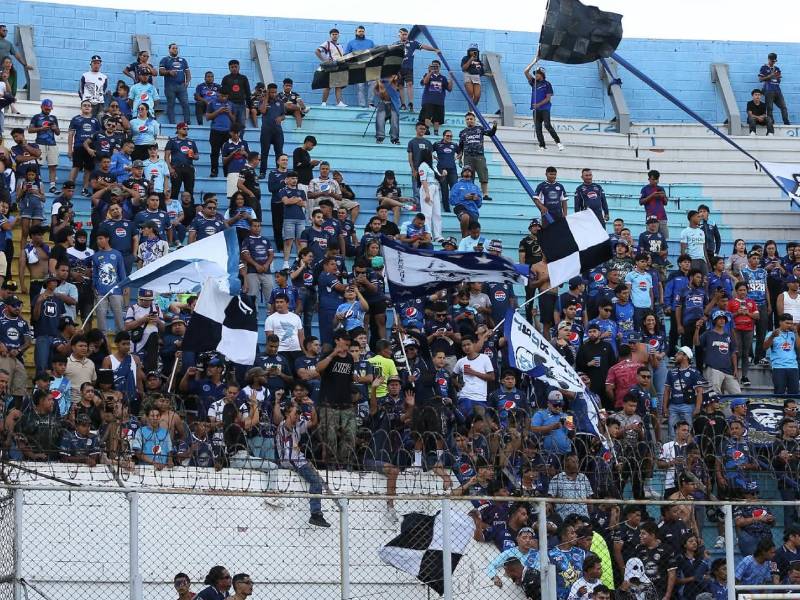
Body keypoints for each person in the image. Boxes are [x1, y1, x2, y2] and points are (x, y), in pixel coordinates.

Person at [275, 397, 330, 527]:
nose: (298, 415)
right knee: (316, 481)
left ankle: (316, 513)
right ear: (288, 413)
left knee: (317, 480)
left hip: (298, 459)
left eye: (299, 413)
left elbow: (313, 422)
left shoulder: (297, 425)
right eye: (296, 413)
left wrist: (312, 406)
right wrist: (293, 405)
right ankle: (315, 514)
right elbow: (289, 423)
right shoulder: (284, 425)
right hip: (291, 460)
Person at [696, 310, 740, 395]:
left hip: (728, 370)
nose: (722, 320)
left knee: (737, 394)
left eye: (724, 319)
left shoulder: (728, 336)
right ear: (714, 320)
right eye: (719, 318)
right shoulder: (708, 334)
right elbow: (696, 343)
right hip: (713, 368)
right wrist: (697, 330)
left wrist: (735, 369)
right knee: (715, 395)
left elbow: (733, 353)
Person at [523, 63, 564, 152]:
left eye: (537, 73)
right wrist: (534, 61)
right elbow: (525, 72)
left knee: (547, 125)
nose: (535, 75)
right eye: (535, 73)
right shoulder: (533, 83)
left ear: (542, 74)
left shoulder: (547, 84)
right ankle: (542, 146)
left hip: (545, 109)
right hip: (536, 110)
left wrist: (539, 104)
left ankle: (558, 143)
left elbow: (548, 98)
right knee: (538, 128)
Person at [457, 112, 497, 201]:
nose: (469, 120)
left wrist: (494, 127)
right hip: (467, 157)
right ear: (465, 121)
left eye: (471, 119)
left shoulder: (480, 129)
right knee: (469, 176)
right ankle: (470, 193)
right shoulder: (463, 132)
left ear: (474, 120)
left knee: (483, 175)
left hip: (479, 156)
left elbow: (491, 133)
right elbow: (460, 147)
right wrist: (460, 158)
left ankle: (485, 194)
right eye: (467, 119)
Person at [397, 27, 438, 112]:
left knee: (409, 84)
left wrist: (434, 49)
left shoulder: (412, 43)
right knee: (400, 86)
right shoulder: (396, 44)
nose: (404, 36)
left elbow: (423, 46)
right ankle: (403, 104)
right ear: (399, 35)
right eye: (403, 34)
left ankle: (411, 103)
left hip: (408, 68)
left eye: (406, 34)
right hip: (398, 69)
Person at [764, 313, 800, 394]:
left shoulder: (793, 334)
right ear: (780, 322)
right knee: (779, 393)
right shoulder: (771, 333)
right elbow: (765, 347)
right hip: (778, 367)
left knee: (794, 393)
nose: (789, 325)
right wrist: (772, 336)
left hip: (793, 367)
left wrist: (796, 332)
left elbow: (798, 347)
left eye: (791, 323)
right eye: (787, 323)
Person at [158, 43, 191, 125]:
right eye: (173, 48)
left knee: (186, 104)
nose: (175, 50)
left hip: (181, 87)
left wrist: (187, 82)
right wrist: (169, 72)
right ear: (169, 50)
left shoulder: (183, 60)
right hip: (170, 87)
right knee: (171, 105)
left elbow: (188, 72)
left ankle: (187, 123)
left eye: (176, 48)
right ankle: (172, 124)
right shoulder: (165, 60)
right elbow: (160, 72)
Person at [420, 60, 452, 136]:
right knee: (427, 115)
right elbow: (424, 82)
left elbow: (449, 89)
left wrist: (451, 78)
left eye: (437, 66)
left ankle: (436, 131)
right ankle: (427, 129)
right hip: (428, 100)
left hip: (439, 101)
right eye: (433, 65)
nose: (435, 67)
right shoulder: (427, 75)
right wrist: (430, 72)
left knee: (437, 117)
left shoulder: (443, 78)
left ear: (440, 67)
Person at [345, 26, 375, 107]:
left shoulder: (370, 42)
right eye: (359, 31)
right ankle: (362, 105)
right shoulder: (351, 43)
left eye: (362, 31)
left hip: (369, 67)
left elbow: (375, 54)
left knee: (372, 84)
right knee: (360, 86)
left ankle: (370, 103)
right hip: (357, 68)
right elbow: (346, 55)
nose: (361, 33)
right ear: (356, 32)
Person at [315, 28, 346, 107]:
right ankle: (324, 103)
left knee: (338, 85)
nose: (335, 36)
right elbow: (317, 51)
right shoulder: (327, 43)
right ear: (330, 35)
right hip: (330, 67)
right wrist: (324, 60)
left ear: (338, 35)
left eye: (336, 34)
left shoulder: (340, 46)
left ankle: (339, 103)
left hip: (339, 67)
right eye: (333, 34)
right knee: (328, 85)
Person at [758, 52, 790, 125]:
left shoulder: (777, 69)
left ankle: (786, 122)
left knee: (783, 107)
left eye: (774, 61)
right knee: (769, 108)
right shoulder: (764, 68)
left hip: (777, 91)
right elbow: (760, 79)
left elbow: (779, 79)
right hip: (769, 90)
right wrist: (771, 76)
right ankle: (770, 123)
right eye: (772, 61)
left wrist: (778, 78)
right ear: (768, 59)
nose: (773, 62)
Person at [220, 59, 251, 129]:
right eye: (232, 67)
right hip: (230, 104)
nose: (234, 68)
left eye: (235, 67)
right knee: (229, 123)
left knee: (241, 124)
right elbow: (222, 92)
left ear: (239, 67)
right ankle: (230, 140)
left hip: (241, 104)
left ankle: (240, 139)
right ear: (229, 68)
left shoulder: (244, 78)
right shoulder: (226, 78)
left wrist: (249, 106)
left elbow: (248, 92)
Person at [639, 169, 669, 240]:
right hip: (651, 219)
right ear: (649, 179)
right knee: (650, 240)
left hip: (662, 217)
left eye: (657, 179)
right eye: (653, 179)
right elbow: (641, 202)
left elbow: (665, 203)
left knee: (664, 239)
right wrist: (652, 195)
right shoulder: (645, 189)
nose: (655, 181)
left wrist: (664, 196)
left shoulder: (661, 188)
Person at [374, 77, 400, 145]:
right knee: (380, 120)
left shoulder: (395, 78)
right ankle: (380, 137)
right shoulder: (380, 80)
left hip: (393, 103)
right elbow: (377, 92)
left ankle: (395, 138)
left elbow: (396, 87)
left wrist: (390, 80)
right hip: (383, 102)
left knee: (394, 121)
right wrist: (379, 83)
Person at [680, 210, 707, 275]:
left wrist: (707, 262)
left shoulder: (701, 232)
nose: (700, 219)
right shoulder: (685, 232)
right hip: (692, 260)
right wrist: (684, 262)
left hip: (702, 260)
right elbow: (683, 249)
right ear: (692, 218)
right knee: (693, 280)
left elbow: (703, 248)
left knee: (705, 280)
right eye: (698, 217)